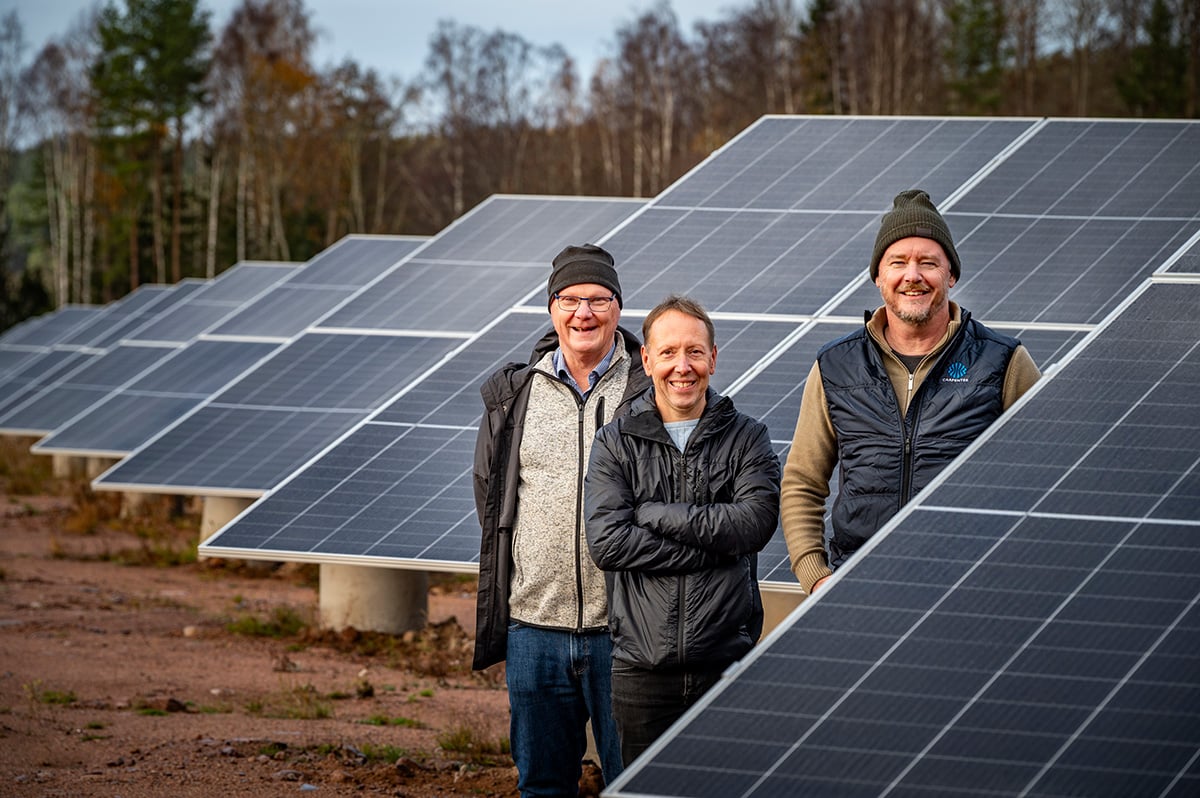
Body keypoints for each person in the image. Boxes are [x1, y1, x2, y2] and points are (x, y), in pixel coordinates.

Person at [781, 189, 1042, 594]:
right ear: (878, 276)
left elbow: (1051, 473)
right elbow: (802, 481)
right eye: (898, 262)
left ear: (951, 275)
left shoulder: (1004, 362)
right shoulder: (835, 366)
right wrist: (815, 576)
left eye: (928, 263)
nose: (913, 275)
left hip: (970, 586)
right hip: (860, 585)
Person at [472, 242, 648, 796]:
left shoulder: (650, 386)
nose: (584, 313)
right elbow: (493, 494)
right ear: (551, 308)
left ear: (618, 307)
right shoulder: (517, 394)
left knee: (633, 782)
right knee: (542, 785)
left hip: (624, 632)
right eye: (570, 299)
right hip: (535, 630)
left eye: (598, 299)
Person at [584, 294, 781, 766]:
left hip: (726, 665)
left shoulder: (747, 436)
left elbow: (753, 524)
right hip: (641, 671)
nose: (682, 366)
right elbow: (608, 542)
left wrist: (654, 515)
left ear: (713, 358)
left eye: (694, 351)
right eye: (668, 352)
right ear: (647, 360)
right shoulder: (616, 441)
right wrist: (715, 548)